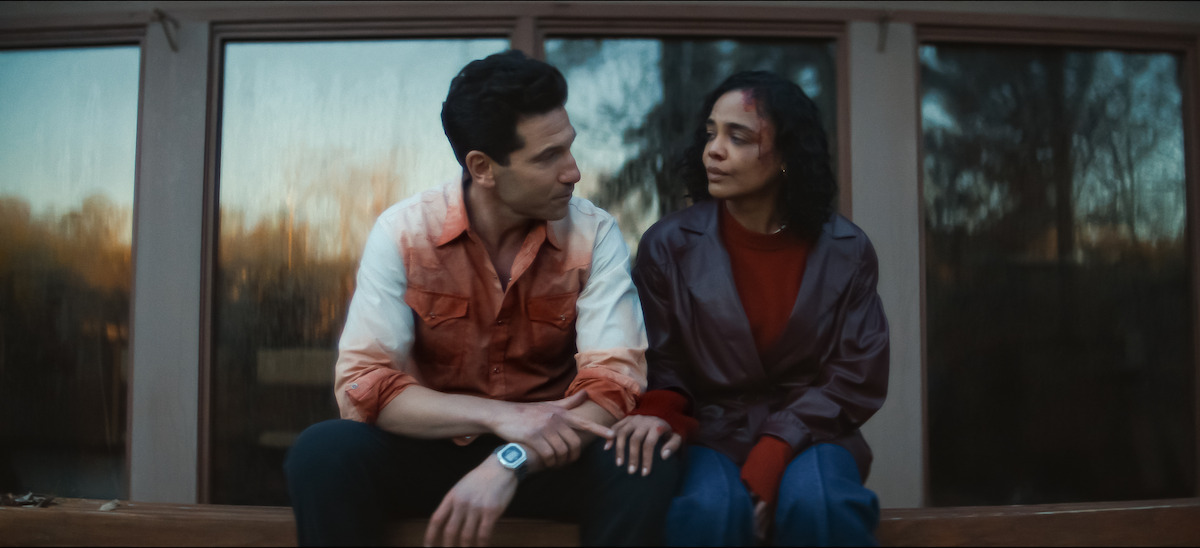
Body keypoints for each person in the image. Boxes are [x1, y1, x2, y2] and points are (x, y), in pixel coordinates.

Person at [284, 50, 678, 547]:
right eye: (547, 157)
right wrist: (498, 416)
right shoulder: (405, 232)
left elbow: (612, 385)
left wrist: (508, 460)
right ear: (483, 167)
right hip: (431, 449)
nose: (573, 171)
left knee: (641, 463)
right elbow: (366, 386)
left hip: (550, 454)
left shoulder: (593, 233)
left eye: (569, 148)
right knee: (324, 451)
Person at [607, 71, 889, 546]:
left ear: (785, 158)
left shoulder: (846, 249)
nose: (713, 150)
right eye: (711, 133)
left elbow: (856, 372)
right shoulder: (668, 244)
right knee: (707, 512)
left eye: (738, 137)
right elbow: (663, 363)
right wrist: (662, 411)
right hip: (710, 432)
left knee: (821, 505)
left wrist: (776, 448)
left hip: (814, 433)